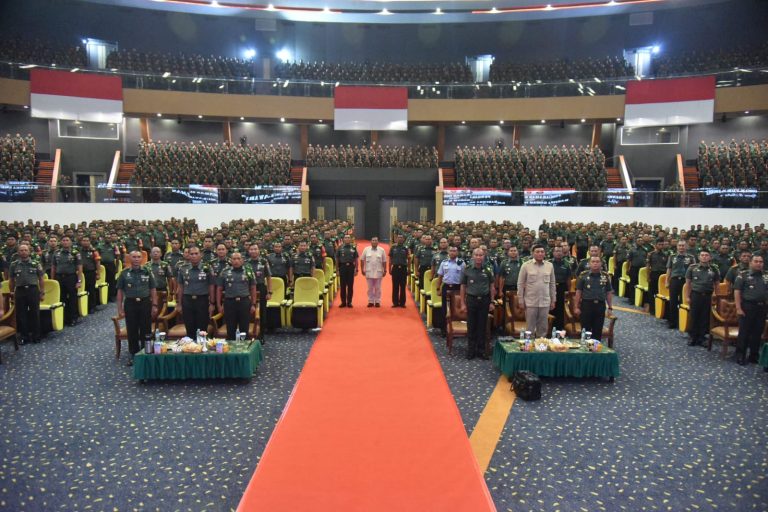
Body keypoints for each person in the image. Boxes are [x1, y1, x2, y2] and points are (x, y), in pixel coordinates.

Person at [116, 250, 158, 366]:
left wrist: (154, 305)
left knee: (146, 329)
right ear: (130, 258)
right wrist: (120, 308)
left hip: (145, 303)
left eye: (138, 257)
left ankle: (146, 353)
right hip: (130, 304)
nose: (136, 259)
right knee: (132, 330)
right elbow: (120, 292)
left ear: (142, 259)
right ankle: (133, 354)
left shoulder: (147, 271)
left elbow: (153, 289)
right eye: (134, 257)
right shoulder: (124, 273)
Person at [460, 248, 496, 360]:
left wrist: (492, 301)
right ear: (473, 256)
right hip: (471, 300)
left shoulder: (488, 270)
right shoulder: (467, 269)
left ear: (484, 256)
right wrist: (462, 303)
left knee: (482, 326)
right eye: (476, 255)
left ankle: (481, 350)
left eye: (481, 255)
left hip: (484, 300)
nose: (479, 257)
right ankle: (471, 350)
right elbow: (463, 287)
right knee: (471, 326)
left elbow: (492, 286)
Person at [733, 254, 767, 365]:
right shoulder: (743, 275)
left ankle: (754, 355)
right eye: (756, 261)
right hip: (747, 307)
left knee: (758, 332)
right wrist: (738, 308)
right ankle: (740, 355)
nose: (759, 264)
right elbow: (737, 292)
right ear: (750, 263)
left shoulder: (766, 276)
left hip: (762, 307)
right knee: (744, 332)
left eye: (761, 262)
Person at [7, 243, 45, 344]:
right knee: (21, 315)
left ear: (29, 252)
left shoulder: (36, 263)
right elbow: (11, 280)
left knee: (35, 313)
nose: (23, 252)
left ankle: (36, 336)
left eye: (25, 250)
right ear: (18, 252)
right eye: (21, 250)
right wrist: (11, 291)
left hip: (33, 290)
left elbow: (41, 279)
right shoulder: (14, 264)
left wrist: (42, 292)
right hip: (20, 291)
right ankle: (24, 337)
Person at [216, 252, 257, 341]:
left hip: (244, 302)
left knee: (244, 329)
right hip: (229, 302)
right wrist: (219, 305)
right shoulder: (224, 271)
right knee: (230, 329)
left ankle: (245, 348)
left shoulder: (249, 271)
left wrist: (253, 304)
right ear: (230, 260)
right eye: (234, 259)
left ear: (242, 260)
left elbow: (253, 288)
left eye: (238, 259)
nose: (236, 261)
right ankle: (231, 347)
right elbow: (219, 289)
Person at [176, 246, 214, 338]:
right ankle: (191, 346)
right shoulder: (183, 268)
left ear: (200, 255)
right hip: (187, 301)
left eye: (196, 253)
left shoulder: (207, 267)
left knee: (202, 329)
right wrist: (179, 304)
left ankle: (202, 346)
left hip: (202, 300)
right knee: (189, 328)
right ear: (188, 255)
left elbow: (211, 286)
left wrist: (212, 303)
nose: (194, 256)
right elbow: (180, 287)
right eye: (191, 254)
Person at [517, 244, 556, 337]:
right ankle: (529, 345)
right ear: (532, 253)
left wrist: (553, 300)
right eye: (537, 252)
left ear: (545, 253)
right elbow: (520, 284)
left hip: (545, 302)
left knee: (543, 328)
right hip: (530, 302)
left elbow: (552, 284)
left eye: (542, 252)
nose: (540, 253)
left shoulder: (549, 266)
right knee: (530, 328)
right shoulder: (526, 266)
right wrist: (520, 300)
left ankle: (541, 345)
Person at [684, 249, 719, 347]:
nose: (704, 257)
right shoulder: (692, 268)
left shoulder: (714, 269)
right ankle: (692, 337)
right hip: (695, 295)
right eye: (702, 255)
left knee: (705, 317)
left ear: (710, 257)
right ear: (699, 257)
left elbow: (717, 284)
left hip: (708, 295)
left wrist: (716, 295)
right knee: (694, 316)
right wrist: (687, 296)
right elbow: (688, 284)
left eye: (706, 255)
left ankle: (702, 337)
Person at [574, 256, 613, 341]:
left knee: (598, 330)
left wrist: (610, 307)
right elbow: (578, 292)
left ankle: (596, 347)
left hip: (600, 306)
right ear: (589, 264)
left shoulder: (605, 276)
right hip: (587, 305)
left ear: (601, 264)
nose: (595, 263)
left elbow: (608, 292)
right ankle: (585, 348)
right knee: (585, 330)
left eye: (597, 262)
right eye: (593, 262)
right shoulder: (583, 275)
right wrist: (576, 307)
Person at [51, 235, 83, 327]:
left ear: (70, 242)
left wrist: (79, 281)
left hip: (71, 277)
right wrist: (53, 280)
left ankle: (73, 318)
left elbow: (80, 268)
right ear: (60, 242)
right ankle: (64, 318)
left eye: (67, 240)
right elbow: (53, 267)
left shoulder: (75, 253)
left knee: (72, 298)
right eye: (63, 240)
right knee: (62, 298)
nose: (65, 242)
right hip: (59, 278)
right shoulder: (56, 253)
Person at [665, 241, 696, 329]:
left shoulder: (691, 257)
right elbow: (669, 269)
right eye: (680, 246)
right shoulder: (672, 256)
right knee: (673, 302)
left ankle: (682, 322)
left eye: (683, 246)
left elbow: (694, 270)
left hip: (685, 282)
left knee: (684, 302)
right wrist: (667, 281)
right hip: (674, 280)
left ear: (686, 247)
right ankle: (672, 322)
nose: (681, 247)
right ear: (677, 247)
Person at [436, 245, 465, 335]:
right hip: (446, 287)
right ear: (448, 252)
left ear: (457, 252)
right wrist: (438, 288)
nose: (452, 252)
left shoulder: (462, 263)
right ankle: (444, 329)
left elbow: (465, 278)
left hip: (457, 288)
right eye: (451, 251)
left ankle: (454, 329)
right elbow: (440, 276)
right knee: (445, 309)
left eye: (454, 251)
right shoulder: (444, 263)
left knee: (455, 309)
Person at [246, 243, 271, 340]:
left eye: (255, 249)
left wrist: (269, 292)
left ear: (258, 250)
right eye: (251, 249)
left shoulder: (264, 261)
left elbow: (268, 277)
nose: (253, 251)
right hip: (248, 289)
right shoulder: (245, 262)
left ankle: (261, 335)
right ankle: (250, 334)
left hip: (261, 288)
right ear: (249, 251)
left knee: (262, 312)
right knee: (249, 311)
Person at [550, 245, 572, 330]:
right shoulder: (548, 263)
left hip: (562, 288)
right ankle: (550, 328)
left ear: (563, 253)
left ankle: (559, 329)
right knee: (551, 307)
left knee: (561, 308)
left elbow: (568, 279)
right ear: (553, 253)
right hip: (551, 287)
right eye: (556, 251)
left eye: (560, 251)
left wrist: (569, 291)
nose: (558, 253)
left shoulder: (567, 264)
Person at [361, 237, 387, 308]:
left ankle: (377, 301)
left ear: (378, 242)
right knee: (370, 288)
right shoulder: (366, 249)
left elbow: (384, 261)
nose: (374, 242)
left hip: (378, 272)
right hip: (369, 272)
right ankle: (371, 301)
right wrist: (362, 269)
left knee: (378, 288)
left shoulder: (382, 250)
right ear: (371, 241)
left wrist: (385, 270)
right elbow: (362, 259)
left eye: (376, 240)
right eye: (373, 240)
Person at [336, 234, 358, 307]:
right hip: (342, 267)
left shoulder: (353, 247)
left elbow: (356, 259)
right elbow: (337, 259)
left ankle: (349, 302)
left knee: (350, 286)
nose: (347, 239)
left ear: (350, 239)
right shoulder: (340, 247)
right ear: (343, 239)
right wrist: (337, 270)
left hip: (351, 267)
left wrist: (356, 269)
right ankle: (343, 302)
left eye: (348, 238)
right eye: (346, 238)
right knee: (342, 286)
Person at [646, 240, 667, 315]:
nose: (661, 246)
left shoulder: (666, 254)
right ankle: (652, 309)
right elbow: (648, 266)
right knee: (652, 292)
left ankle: (660, 309)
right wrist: (648, 276)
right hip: (654, 274)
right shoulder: (651, 254)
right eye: (659, 244)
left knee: (661, 292)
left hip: (662, 275)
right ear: (655, 245)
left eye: (662, 244)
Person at [388, 233, 409, 307]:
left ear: (403, 239)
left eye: (401, 237)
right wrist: (389, 268)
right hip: (395, 268)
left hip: (403, 268)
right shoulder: (393, 247)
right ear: (396, 239)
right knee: (395, 286)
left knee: (403, 286)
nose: (400, 239)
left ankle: (402, 303)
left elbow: (409, 259)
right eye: (399, 237)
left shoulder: (406, 248)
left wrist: (409, 269)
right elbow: (390, 258)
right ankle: (395, 302)